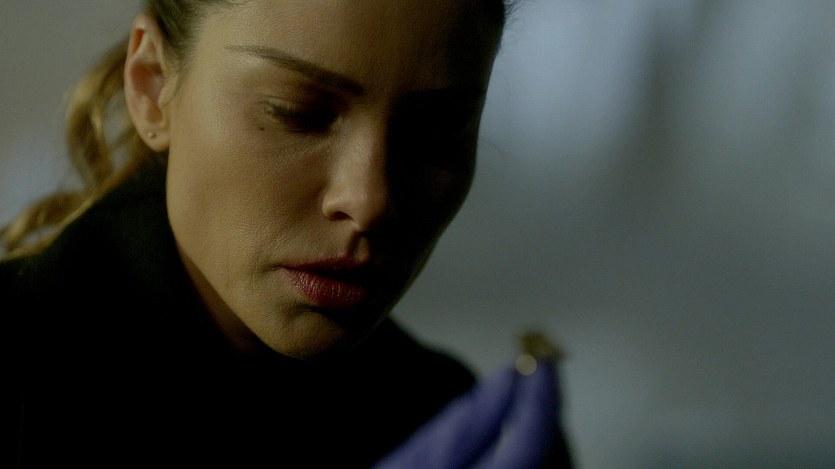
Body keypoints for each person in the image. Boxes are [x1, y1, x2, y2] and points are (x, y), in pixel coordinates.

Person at [1, 1, 573, 467]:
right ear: (151, 88)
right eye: (298, 113)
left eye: (439, 130)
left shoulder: (465, 429)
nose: (370, 201)